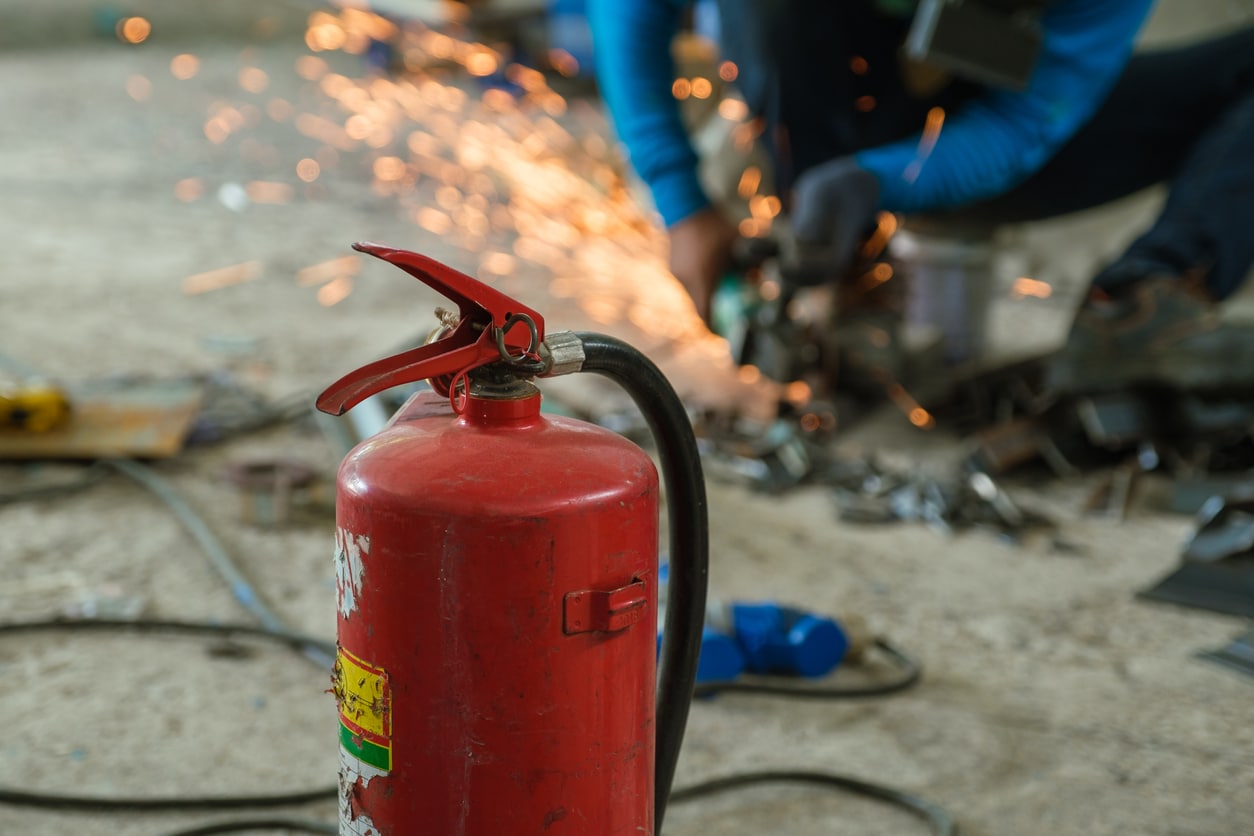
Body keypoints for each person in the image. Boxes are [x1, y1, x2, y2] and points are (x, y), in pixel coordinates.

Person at [587, 0, 1254, 393]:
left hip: (982, 127)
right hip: (802, 101)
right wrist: (683, 203)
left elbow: (1025, 121)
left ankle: (1145, 310)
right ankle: (826, 280)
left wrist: (878, 180)